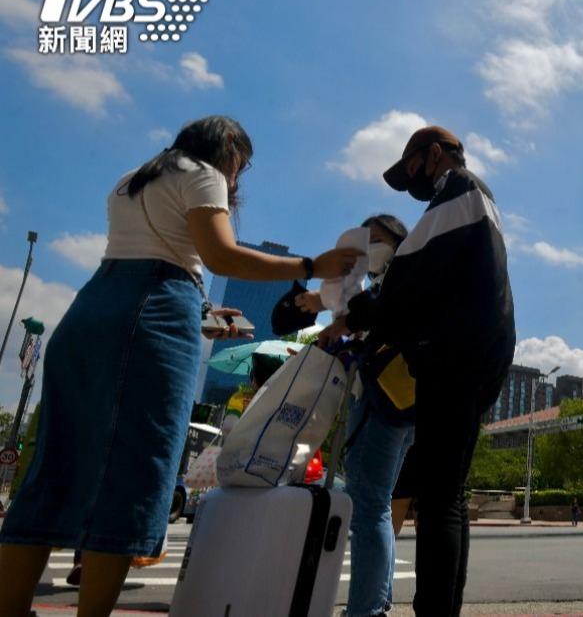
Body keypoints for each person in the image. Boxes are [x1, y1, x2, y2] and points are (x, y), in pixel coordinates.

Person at [0, 116, 359, 617]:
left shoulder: (134, 177)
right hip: (154, 312)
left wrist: (205, 317)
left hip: (93, 308)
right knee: (135, 469)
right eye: (243, 165)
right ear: (229, 149)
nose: (238, 178)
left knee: (55, 466)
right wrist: (309, 267)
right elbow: (219, 257)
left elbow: (148, 259)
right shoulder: (204, 172)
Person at [320, 126, 515, 616]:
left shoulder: (460, 189)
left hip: (454, 358)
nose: (411, 185)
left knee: (439, 499)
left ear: (434, 155)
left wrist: (349, 316)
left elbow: (407, 279)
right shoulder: (475, 200)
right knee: (449, 493)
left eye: (411, 170)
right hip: (477, 357)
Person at [306, 214, 414, 617]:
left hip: (383, 399)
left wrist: (345, 327)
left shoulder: (396, 279)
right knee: (377, 505)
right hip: (404, 402)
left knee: (367, 506)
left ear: (399, 242)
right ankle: (376, 602)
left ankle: (365, 610)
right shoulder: (395, 281)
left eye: (378, 239)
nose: (370, 247)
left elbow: (372, 317)